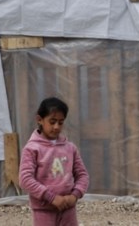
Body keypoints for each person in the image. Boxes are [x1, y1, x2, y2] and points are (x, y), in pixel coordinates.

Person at [19, 97, 89, 226]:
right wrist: (51, 197)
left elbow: (83, 175)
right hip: (43, 210)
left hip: (68, 209)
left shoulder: (70, 148)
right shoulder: (32, 148)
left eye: (60, 122)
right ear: (40, 120)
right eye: (52, 122)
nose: (56, 127)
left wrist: (74, 195)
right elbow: (25, 179)